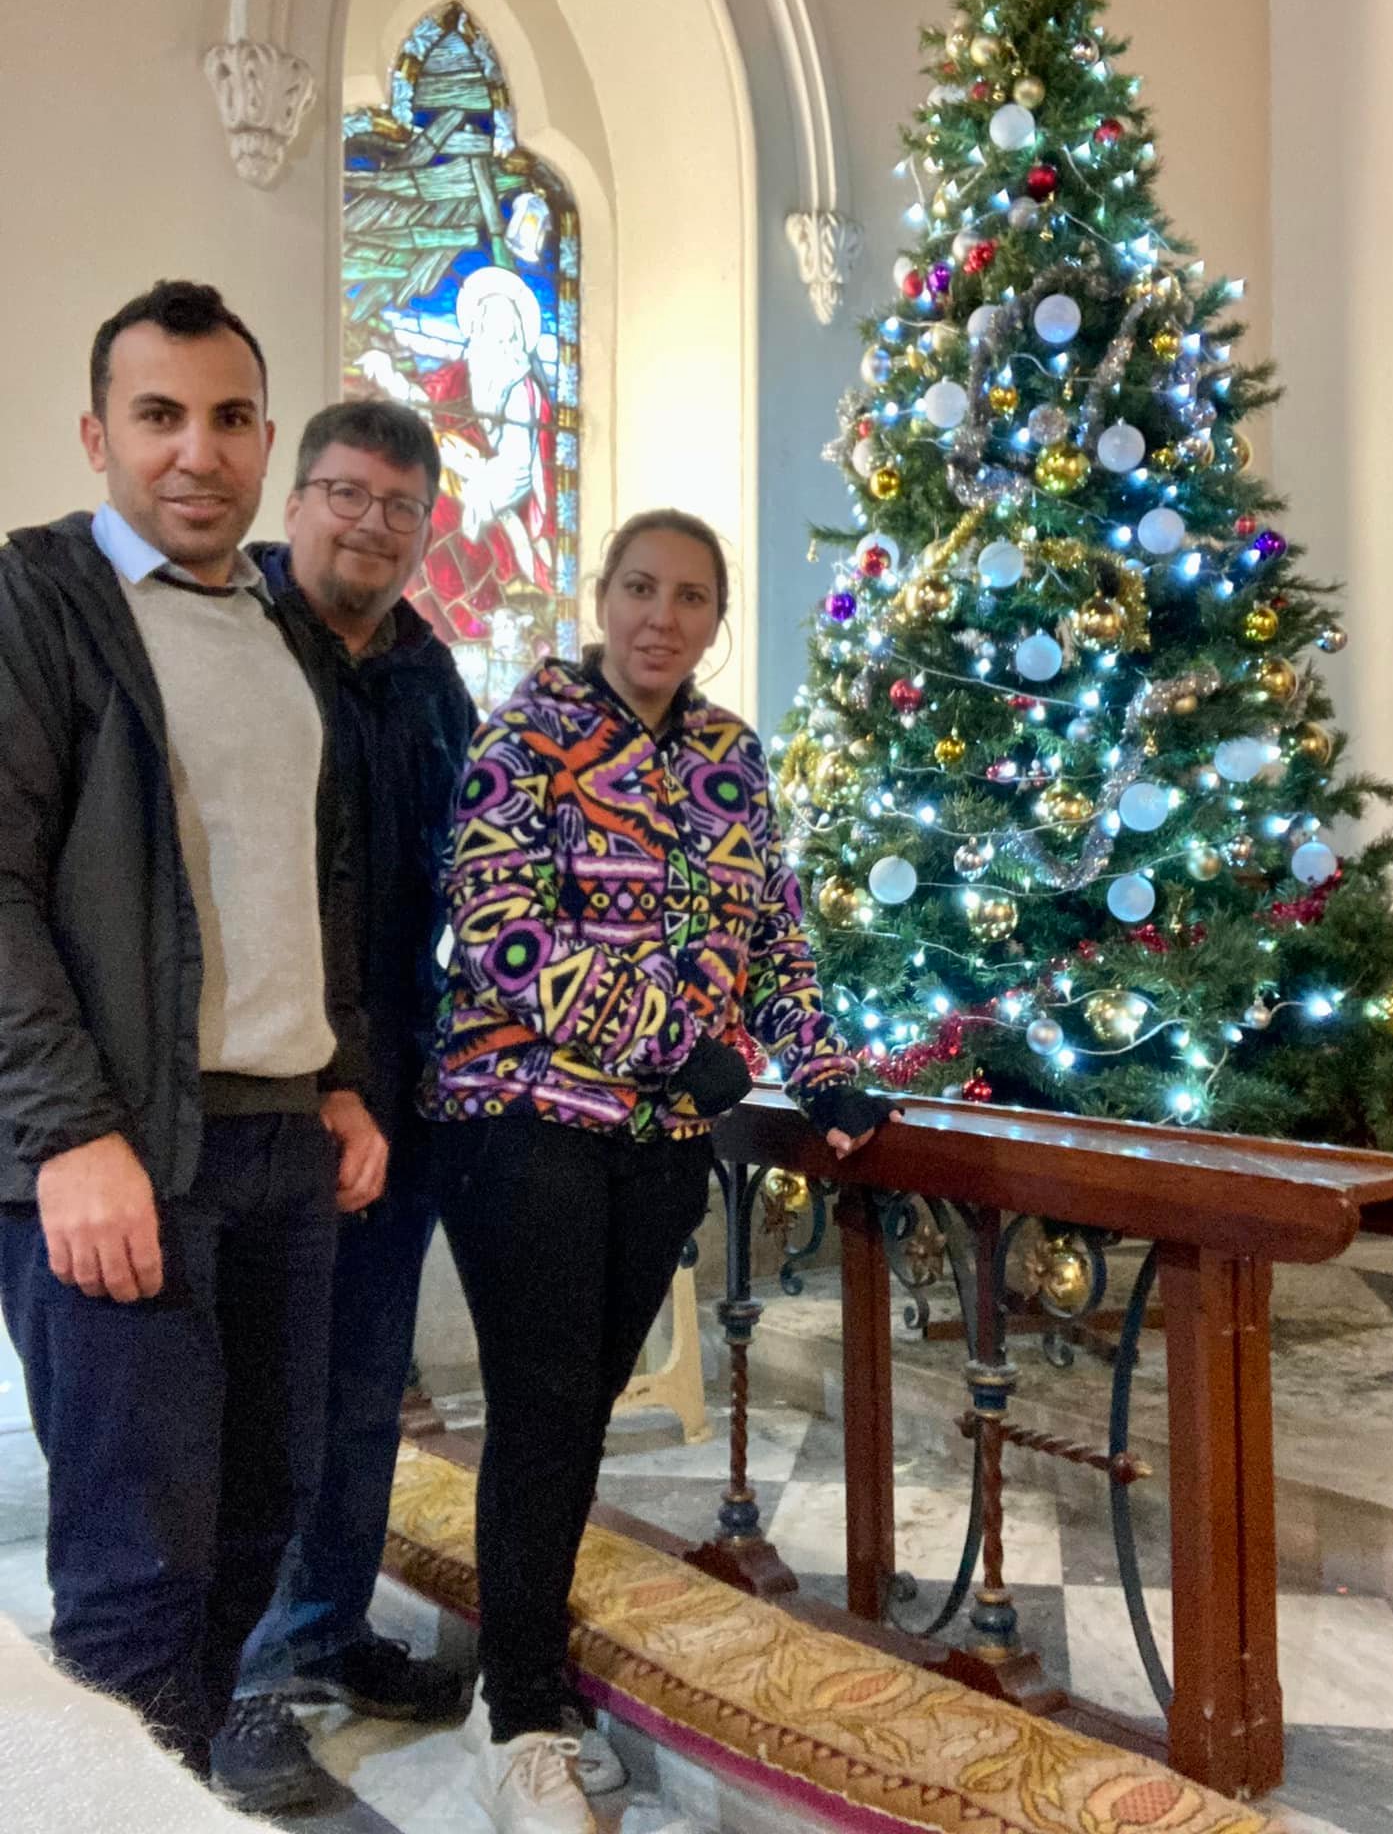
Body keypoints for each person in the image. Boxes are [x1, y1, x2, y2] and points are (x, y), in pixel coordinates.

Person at [424, 508, 896, 1834]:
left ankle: (514, 1679)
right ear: (600, 594)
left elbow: (774, 934)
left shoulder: (729, 755)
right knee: (543, 1409)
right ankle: (518, 1721)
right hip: (518, 1117)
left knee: (578, 1415)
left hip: (658, 1142)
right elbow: (500, 928)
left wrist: (815, 1071)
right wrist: (674, 1043)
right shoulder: (526, 732)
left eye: (690, 598)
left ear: (714, 619)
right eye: (639, 588)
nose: (660, 618)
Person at [0, 281, 388, 1782]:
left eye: (229, 419)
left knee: (254, 1519)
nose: (196, 453)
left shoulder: (284, 630)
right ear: (99, 434)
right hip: (121, 1153)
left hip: (282, 1145)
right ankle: (119, 1798)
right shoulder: (36, 603)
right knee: (134, 1567)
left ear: (267, 441)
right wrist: (67, 1135)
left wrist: (342, 1078)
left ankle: (181, 1770)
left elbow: (320, 876)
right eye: (159, 416)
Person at [207, 400, 479, 1812]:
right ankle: (245, 1679)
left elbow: (474, 874)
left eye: (397, 506)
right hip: (264, 1089)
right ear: (295, 499)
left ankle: (328, 1632)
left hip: (406, 1092)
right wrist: (319, 1078)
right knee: (264, 1395)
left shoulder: (433, 675)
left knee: (366, 1388)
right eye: (344, 493)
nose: (368, 524)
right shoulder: (229, 639)